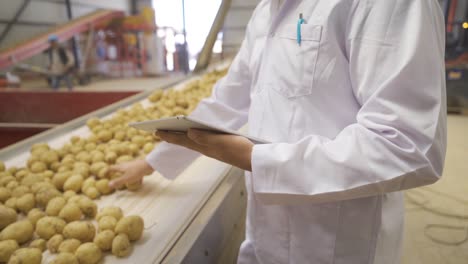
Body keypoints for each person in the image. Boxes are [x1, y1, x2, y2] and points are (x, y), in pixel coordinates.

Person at [109, 0, 447, 263]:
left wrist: (257, 159)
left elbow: (407, 143)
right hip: (265, 230)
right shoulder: (266, 12)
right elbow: (228, 96)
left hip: (337, 243)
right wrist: (153, 161)